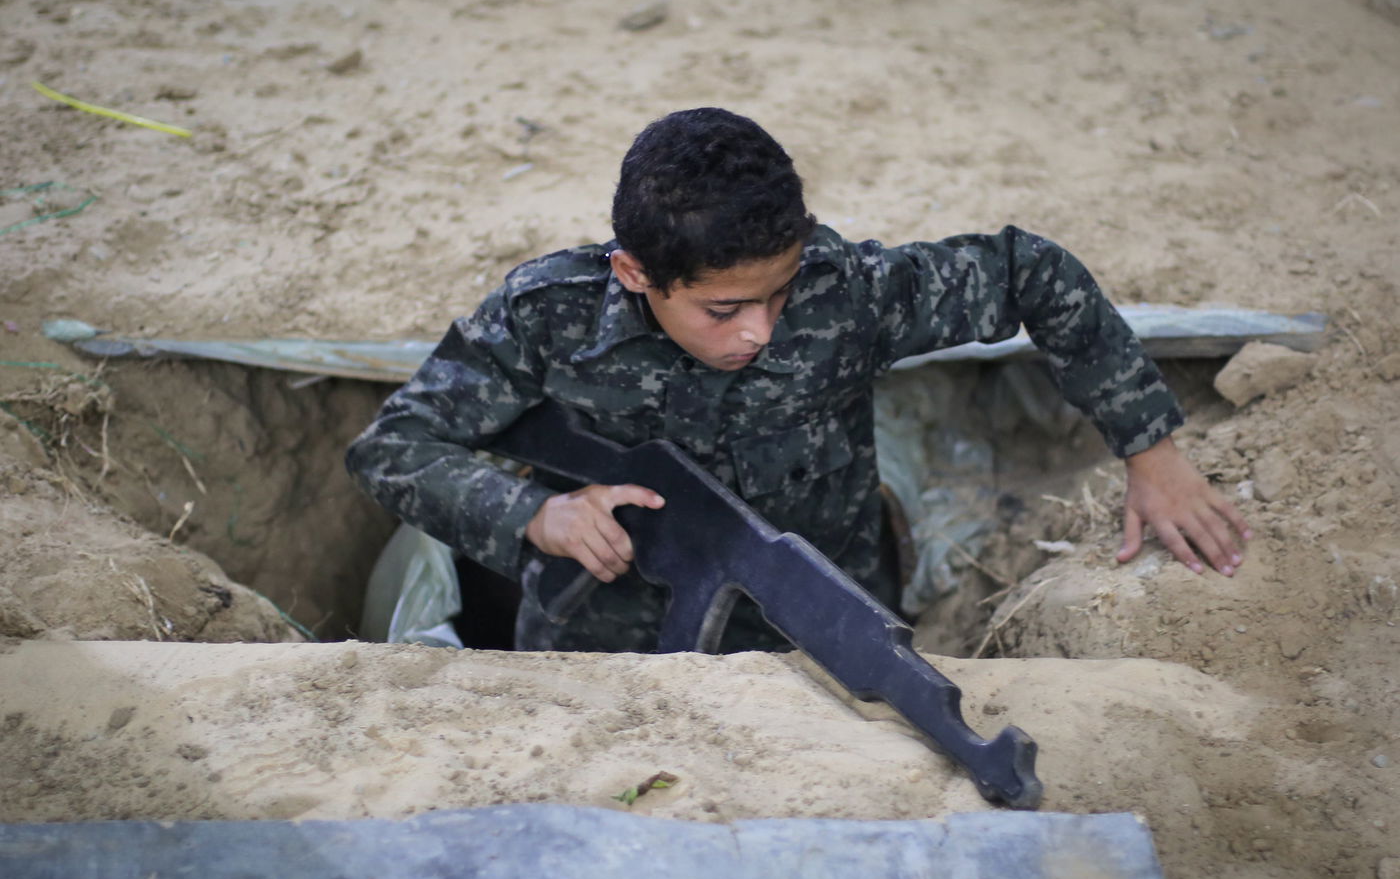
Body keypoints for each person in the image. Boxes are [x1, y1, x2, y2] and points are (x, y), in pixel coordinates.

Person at [346, 107, 1250, 653]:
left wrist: (1152, 453)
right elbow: (395, 447)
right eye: (723, 309)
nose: (760, 331)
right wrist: (536, 516)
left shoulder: (845, 293)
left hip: (823, 627)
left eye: (779, 293)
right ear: (634, 275)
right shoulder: (548, 316)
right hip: (603, 647)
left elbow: (1033, 273)